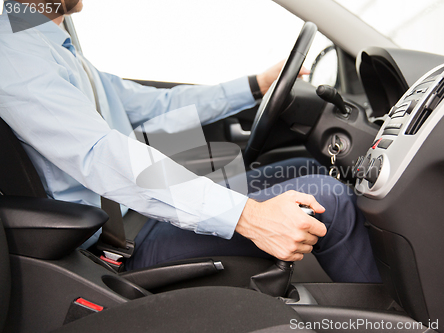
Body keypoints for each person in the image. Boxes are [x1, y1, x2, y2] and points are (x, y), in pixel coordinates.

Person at [0, 0, 380, 282]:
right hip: (115, 247)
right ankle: (389, 318)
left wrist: (257, 84)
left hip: (139, 214)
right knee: (327, 199)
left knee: (309, 168)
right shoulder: (14, 53)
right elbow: (101, 154)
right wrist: (250, 217)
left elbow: (158, 104)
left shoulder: (58, 50)